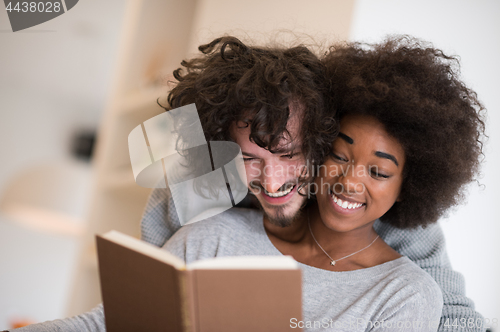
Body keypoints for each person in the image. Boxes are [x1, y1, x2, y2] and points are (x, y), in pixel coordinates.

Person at [10, 36, 485, 331]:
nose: (273, 179)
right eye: (250, 159)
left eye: (287, 153)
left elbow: (456, 319)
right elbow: (123, 314)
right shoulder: (205, 212)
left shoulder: (408, 260)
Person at [161, 36, 486, 331]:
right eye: (340, 156)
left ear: (410, 187)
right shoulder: (207, 226)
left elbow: (455, 315)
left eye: (379, 172)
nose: (349, 182)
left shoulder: (407, 287)